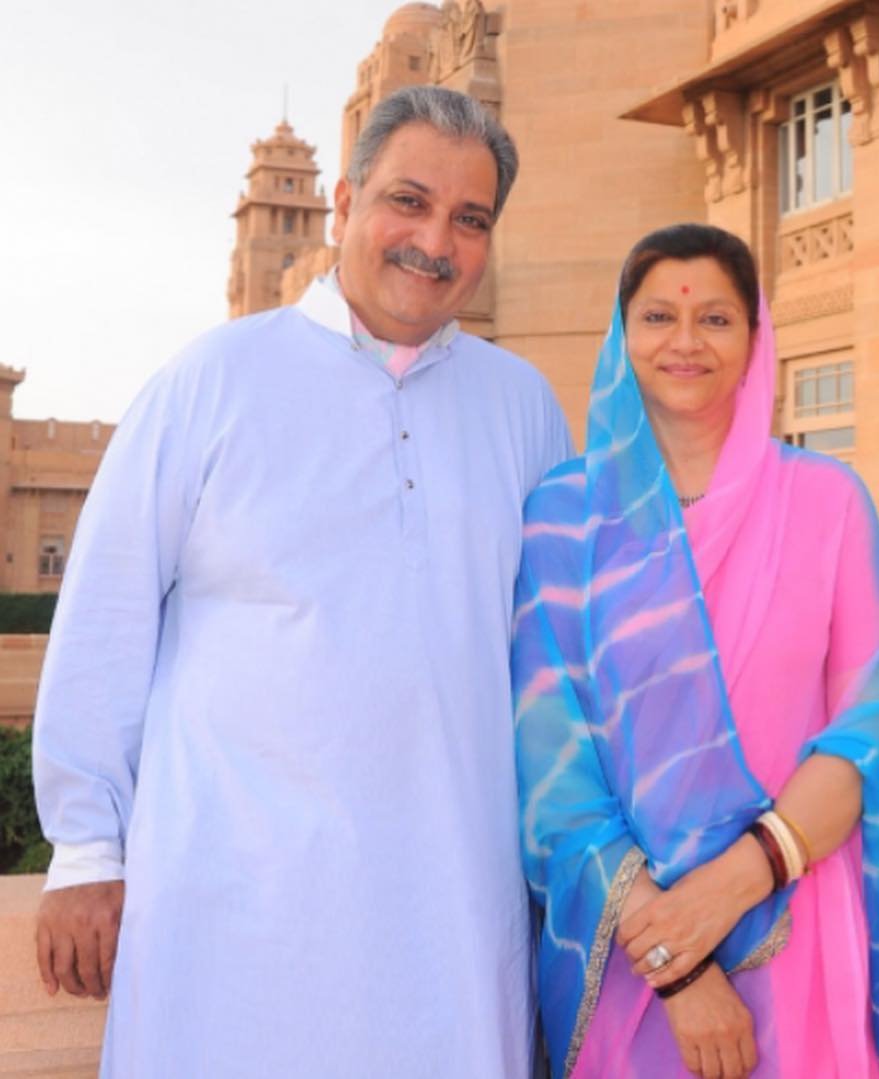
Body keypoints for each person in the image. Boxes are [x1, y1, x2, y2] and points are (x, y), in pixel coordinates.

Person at [33, 86, 572, 1078]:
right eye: (409, 201)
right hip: (233, 915)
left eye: (470, 218)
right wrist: (86, 850)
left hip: (453, 916)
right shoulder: (211, 381)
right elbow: (106, 616)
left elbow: (561, 662)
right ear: (345, 202)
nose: (435, 242)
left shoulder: (524, 409)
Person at [512, 224, 879, 1079]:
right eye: (659, 316)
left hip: (794, 923)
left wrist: (734, 885)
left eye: (716, 319)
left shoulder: (828, 502)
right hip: (630, 951)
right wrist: (678, 963)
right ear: (622, 336)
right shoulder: (563, 518)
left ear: (755, 338)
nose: (685, 341)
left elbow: (872, 726)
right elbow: (554, 771)